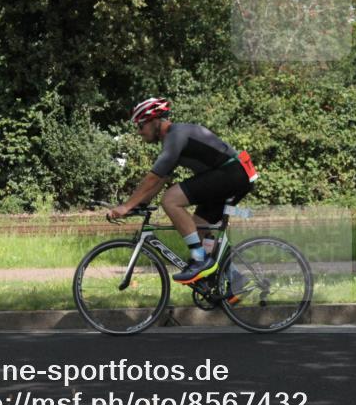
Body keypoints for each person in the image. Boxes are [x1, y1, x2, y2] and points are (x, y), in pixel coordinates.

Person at [107, 97, 258, 295]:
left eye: (140, 125)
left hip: (232, 173)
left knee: (170, 200)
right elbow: (161, 180)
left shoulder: (175, 136)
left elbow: (152, 179)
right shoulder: (172, 140)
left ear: (154, 120)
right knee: (199, 227)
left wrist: (126, 206)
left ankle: (199, 259)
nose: (139, 131)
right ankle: (235, 278)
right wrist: (140, 204)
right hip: (234, 175)